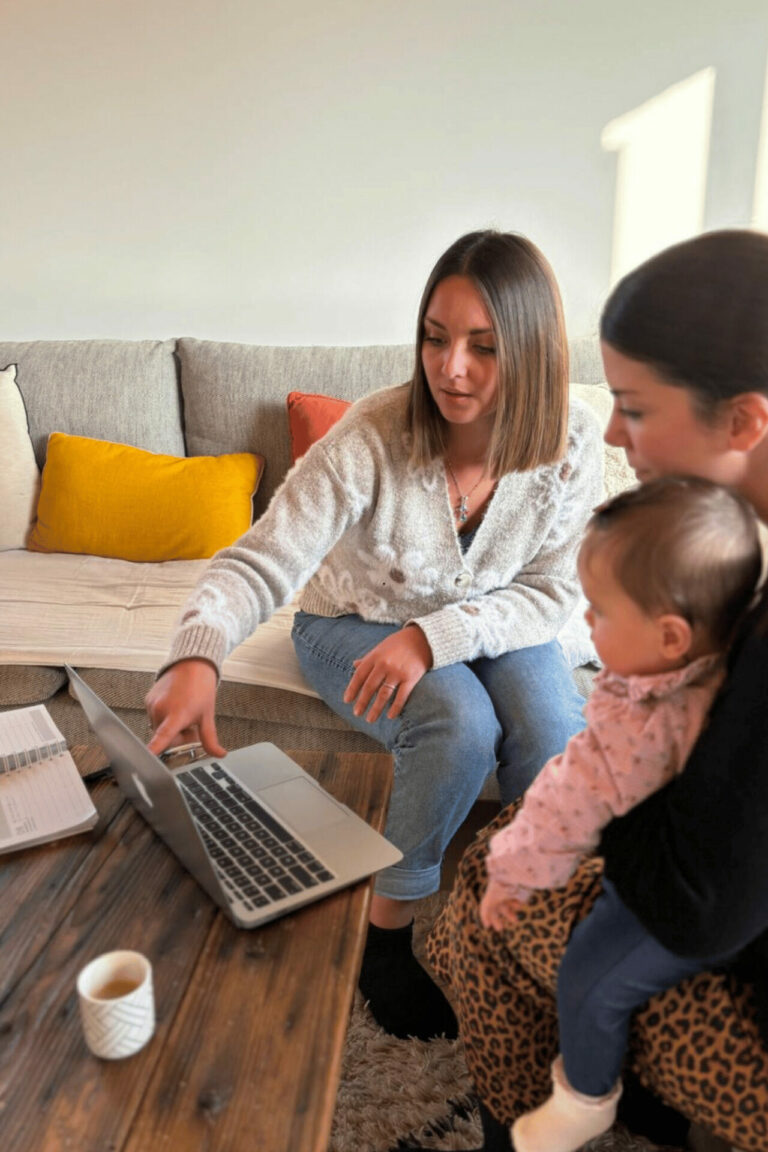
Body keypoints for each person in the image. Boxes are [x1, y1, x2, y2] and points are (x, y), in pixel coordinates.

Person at [144, 229, 603, 1041]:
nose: (449, 367)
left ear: (531, 350)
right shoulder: (370, 435)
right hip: (350, 623)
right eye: (435, 336)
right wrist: (197, 652)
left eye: (483, 347)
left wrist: (435, 636)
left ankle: (537, 930)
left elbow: (554, 592)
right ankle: (386, 936)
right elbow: (262, 559)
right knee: (457, 722)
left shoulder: (573, 440)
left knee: (554, 731)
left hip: (497, 620)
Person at [426, 228, 768, 1152]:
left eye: (635, 407)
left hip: (728, 955)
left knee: (486, 885)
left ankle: (540, 1120)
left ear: (744, 420)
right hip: (709, 892)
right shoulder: (739, 551)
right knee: (510, 843)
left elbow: (707, 902)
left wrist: (604, 800)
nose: (613, 433)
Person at [479, 477, 761, 1152]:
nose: (586, 622)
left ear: (669, 636)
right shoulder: (722, 652)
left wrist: (510, 874)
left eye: (600, 612)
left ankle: (585, 1097)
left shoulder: (636, 729)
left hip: (677, 908)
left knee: (588, 977)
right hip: (714, 879)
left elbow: (562, 809)